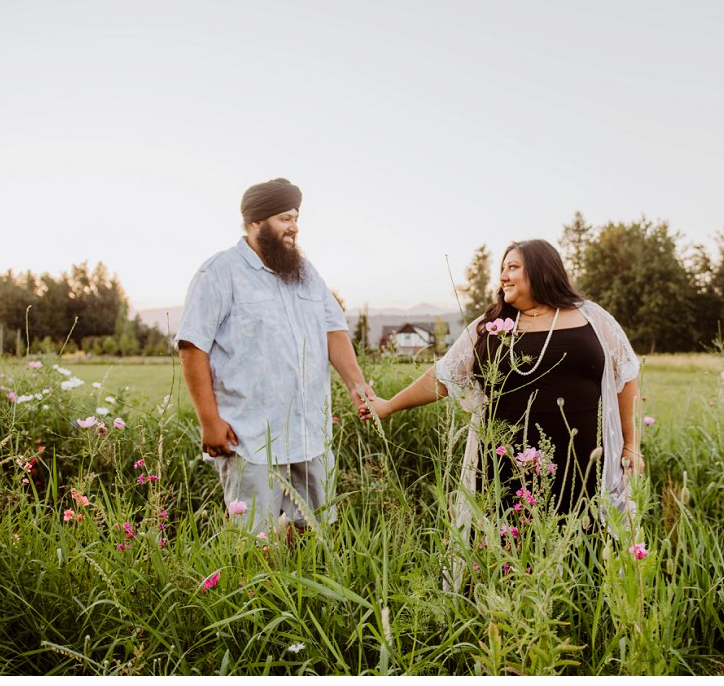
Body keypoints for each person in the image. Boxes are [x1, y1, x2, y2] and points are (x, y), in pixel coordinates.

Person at [364, 239, 643, 530]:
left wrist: (631, 444)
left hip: (582, 463)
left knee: (582, 543)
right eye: (502, 268)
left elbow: (626, 374)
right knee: (506, 546)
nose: (503, 276)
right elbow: (444, 376)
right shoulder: (491, 326)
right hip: (505, 466)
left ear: (541, 270)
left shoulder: (592, 318)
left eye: (513, 267)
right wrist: (388, 406)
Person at [176, 177, 376, 536]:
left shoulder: (305, 273)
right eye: (285, 218)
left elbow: (334, 331)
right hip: (250, 436)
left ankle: (307, 592)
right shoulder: (219, 272)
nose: (295, 227)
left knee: (315, 531)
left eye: (296, 218)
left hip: (309, 431)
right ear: (256, 222)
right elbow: (193, 348)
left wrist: (357, 387)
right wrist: (209, 422)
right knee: (256, 538)